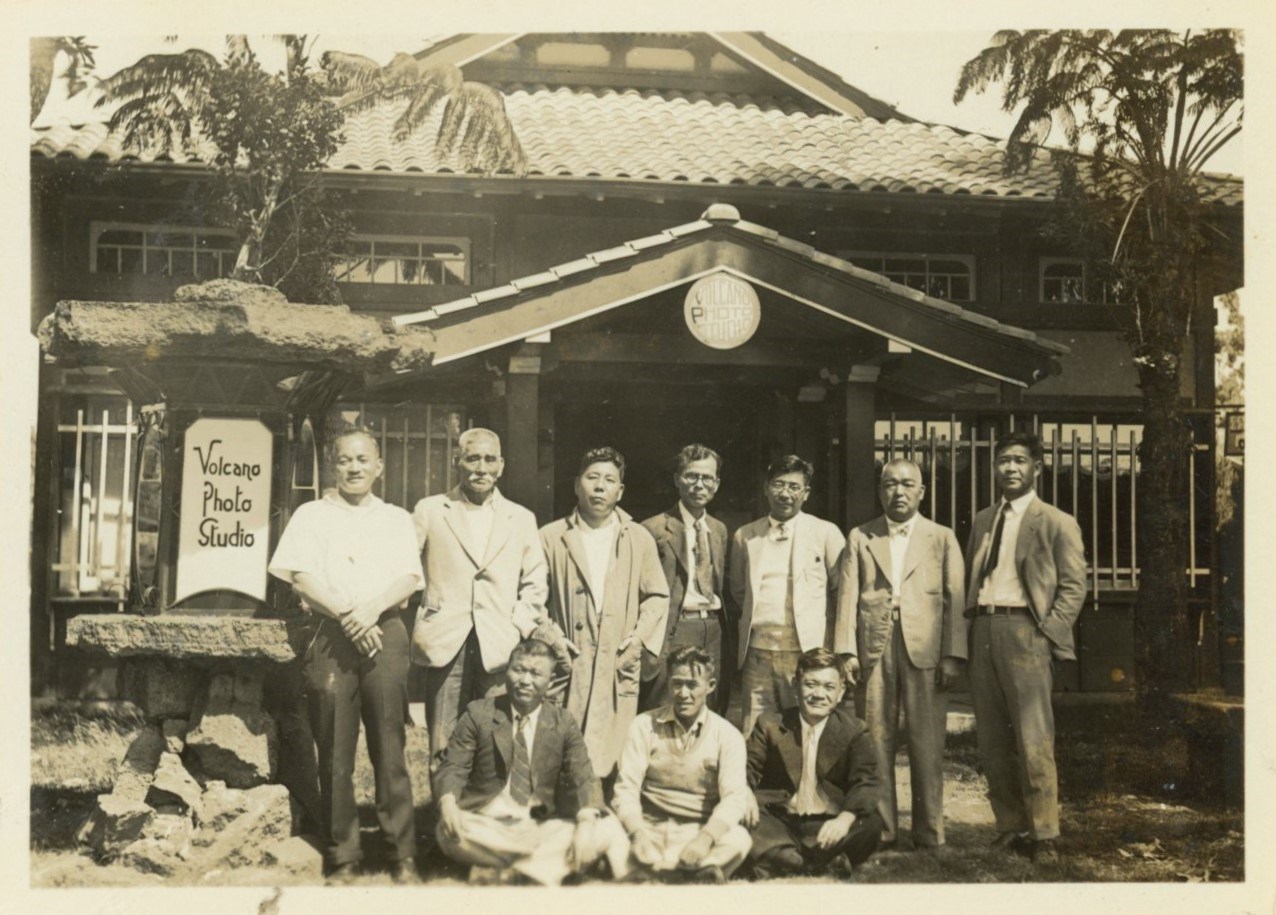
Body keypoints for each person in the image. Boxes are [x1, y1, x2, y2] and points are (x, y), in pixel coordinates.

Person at [267, 429, 423, 883]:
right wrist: (347, 614)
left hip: (384, 632)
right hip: (330, 634)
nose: (353, 468)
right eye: (343, 460)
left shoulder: (396, 518)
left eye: (362, 459)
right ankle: (343, 855)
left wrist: (370, 611)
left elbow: (409, 577)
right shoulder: (312, 515)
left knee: (389, 744)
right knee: (334, 745)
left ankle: (402, 853)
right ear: (332, 467)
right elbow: (300, 579)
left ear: (379, 466)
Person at [965, 431, 1086, 864]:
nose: (1010, 468)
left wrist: (1046, 633)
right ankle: (1009, 825)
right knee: (993, 740)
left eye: (1019, 460)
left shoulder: (1055, 520)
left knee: (1034, 739)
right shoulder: (982, 519)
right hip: (983, 630)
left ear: (1037, 467)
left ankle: (1044, 833)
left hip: (1025, 632)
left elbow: (1074, 587)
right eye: (1003, 461)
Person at [834, 458, 966, 850]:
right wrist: (846, 651)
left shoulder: (941, 537)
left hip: (925, 648)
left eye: (908, 484)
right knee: (876, 740)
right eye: (890, 484)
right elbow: (847, 596)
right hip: (874, 648)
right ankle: (884, 830)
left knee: (927, 742)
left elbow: (954, 600)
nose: (899, 491)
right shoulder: (861, 536)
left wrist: (952, 655)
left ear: (922, 492)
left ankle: (929, 833)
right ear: (880, 491)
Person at [433, 638, 631, 885]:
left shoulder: (562, 722)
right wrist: (448, 801)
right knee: (448, 831)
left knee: (604, 823)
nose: (525, 680)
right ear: (507, 671)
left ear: (549, 681)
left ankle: (509, 872)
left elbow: (584, 774)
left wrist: (586, 823)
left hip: (542, 824)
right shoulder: (479, 713)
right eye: (518, 670)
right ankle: (546, 866)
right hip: (489, 824)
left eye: (536, 673)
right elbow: (453, 765)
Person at [411, 428, 548, 767]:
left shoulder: (521, 518)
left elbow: (535, 580)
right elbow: (405, 569)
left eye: (489, 459)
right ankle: (445, 817)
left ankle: (487, 817)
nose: (481, 468)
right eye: (472, 458)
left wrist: (518, 625)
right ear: (457, 461)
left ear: (501, 466)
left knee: (496, 738)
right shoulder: (430, 510)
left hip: (498, 643)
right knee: (444, 742)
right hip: (445, 641)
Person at [539, 447, 669, 780]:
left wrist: (637, 639)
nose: (600, 487)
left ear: (620, 491)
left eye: (609, 480)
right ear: (576, 485)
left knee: (613, 757)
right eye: (592, 477)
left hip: (616, 659)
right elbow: (531, 599)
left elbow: (657, 596)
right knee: (561, 755)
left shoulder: (637, 537)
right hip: (569, 660)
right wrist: (552, 637)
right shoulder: (551, 537)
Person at [612, 645, 753, 882]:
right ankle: (686, 876)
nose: (683, 693)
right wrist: (637, 834)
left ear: (710, 686)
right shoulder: (643, 725)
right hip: (647, 828)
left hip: (695, 832)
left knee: (739, 839)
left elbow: (734, 798)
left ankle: (652, 875)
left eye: (692, 685)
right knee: (604, 828)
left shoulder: (728, 735)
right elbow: (625, 788)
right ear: (668, 684)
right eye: (677, 683)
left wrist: (704, 839)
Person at [729, 455, 845, 736]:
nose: (785, 493)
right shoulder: (746, 535)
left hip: (805, 651)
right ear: (766, 488)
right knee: (754, 730)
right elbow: (738, 589)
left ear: (806, 493)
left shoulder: (825, 533)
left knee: (804, 727)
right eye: (778, 485)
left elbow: (840, 589)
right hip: (758, 652)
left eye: (794, 487)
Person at [743, 647, 883, 877]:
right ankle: (817, 864)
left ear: (840, 692)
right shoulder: (770, 724)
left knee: (870, 825)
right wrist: (746, 791)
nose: (819, 694)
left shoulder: (855, 730)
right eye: (811, 684)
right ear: (795, 686)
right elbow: (747, 765)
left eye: (829, 687)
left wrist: (844, 820)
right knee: (744, 818)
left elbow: (866, 782)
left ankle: (782, 859)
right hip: (780, 819)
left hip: (828, 822)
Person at [640, 443, 732, 714]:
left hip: (712, 629)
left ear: (716, 484)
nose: (699, 484)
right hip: (674, 628)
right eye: (691, 476)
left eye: (707, 478)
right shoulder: (653, 529)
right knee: (667, 705)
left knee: (708, 708)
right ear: (677, 479)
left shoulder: (718, 529)